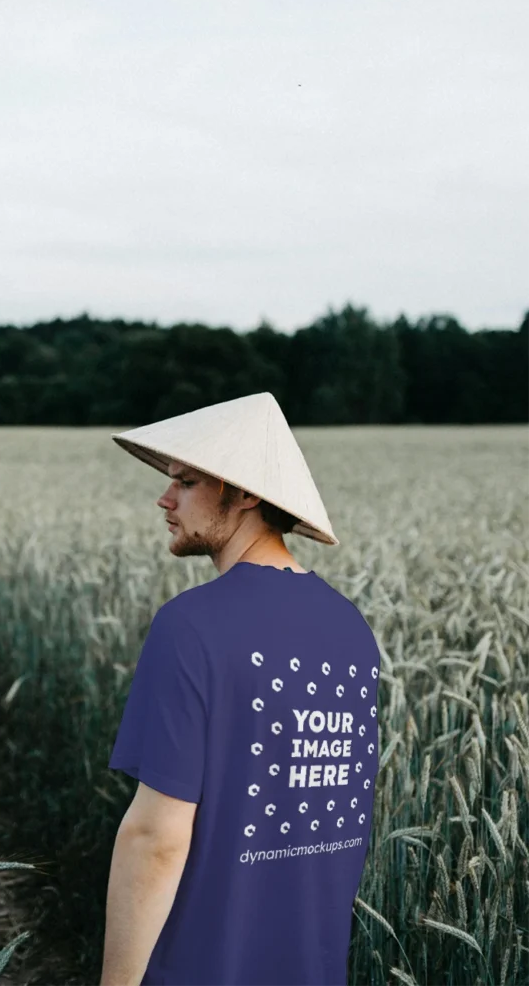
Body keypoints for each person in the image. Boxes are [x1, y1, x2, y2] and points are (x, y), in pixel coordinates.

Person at [101, 392, 381, 986]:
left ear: (247, 492)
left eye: (186, 481)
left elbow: (156, 839)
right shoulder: (353, 630)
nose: (164, 497)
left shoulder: (190, 626)